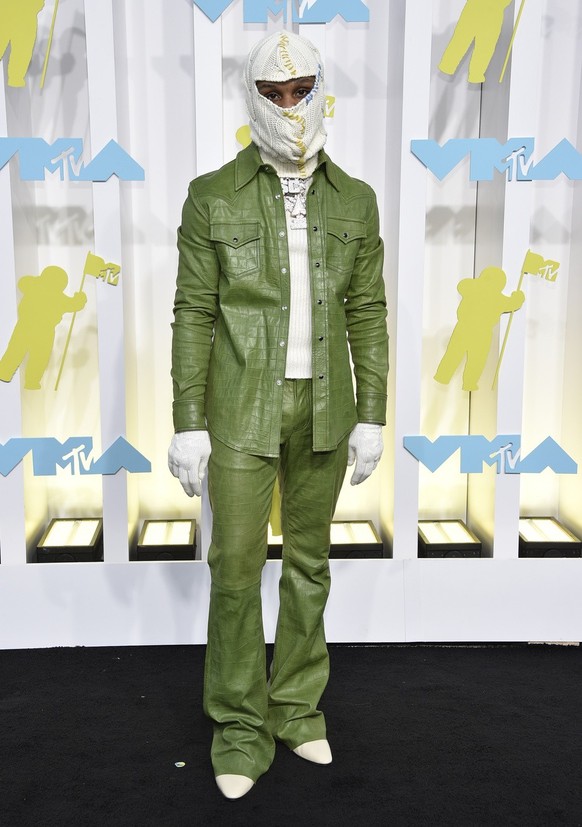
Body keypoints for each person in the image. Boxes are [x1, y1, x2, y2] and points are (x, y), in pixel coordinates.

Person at [168, 31, 388, 800]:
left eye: (302, 90)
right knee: (234, 567)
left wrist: (375, 412)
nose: (290, 105)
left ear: (322, 90)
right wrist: (187, 417)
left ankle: (296, 708)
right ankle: (237, 722)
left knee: (309, 563)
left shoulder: (355, 200)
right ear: (253, 96)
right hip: (238, 408)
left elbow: (366, 309)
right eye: (275, 92)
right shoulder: (213, 194)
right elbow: (194, 309)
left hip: (328, 407)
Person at [434, 265, 524, 391]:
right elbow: (513, 304)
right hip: (482, 333)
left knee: (454, 354)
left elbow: (462, 285)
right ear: (501, 284)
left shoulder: (472, 287)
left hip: (464, 328)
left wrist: (479, 282)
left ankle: (442, 377)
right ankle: (469, 383)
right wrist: (518, 297)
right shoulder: (499, 298)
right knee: (476, 360)